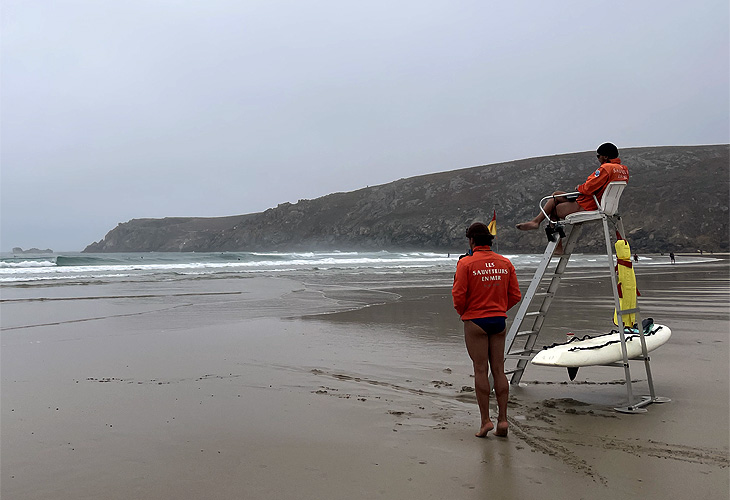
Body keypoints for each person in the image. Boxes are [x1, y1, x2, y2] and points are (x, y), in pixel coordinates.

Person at [452, 222, 521, 438]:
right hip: (498, 320)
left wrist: (466, 313)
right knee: (499, 370)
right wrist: (499, 308)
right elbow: (515, 295)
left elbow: (458, 296)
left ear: (471, 241)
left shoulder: (466, 264)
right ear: (489, 240)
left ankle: (485, 421)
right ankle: (502, 420)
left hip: (476, 321)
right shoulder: (505, 262)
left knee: (480, 369)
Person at [516, 143, 629, 231]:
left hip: (590, 205)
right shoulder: (623, 170)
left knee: (553, 210)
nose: (598, 159)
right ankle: (536, 221)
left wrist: (579, 188)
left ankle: (555, 244)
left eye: (598, 156)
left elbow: (589, 188)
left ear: (605, 157)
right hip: (605, 205)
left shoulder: (606, 168)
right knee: (556, 194)